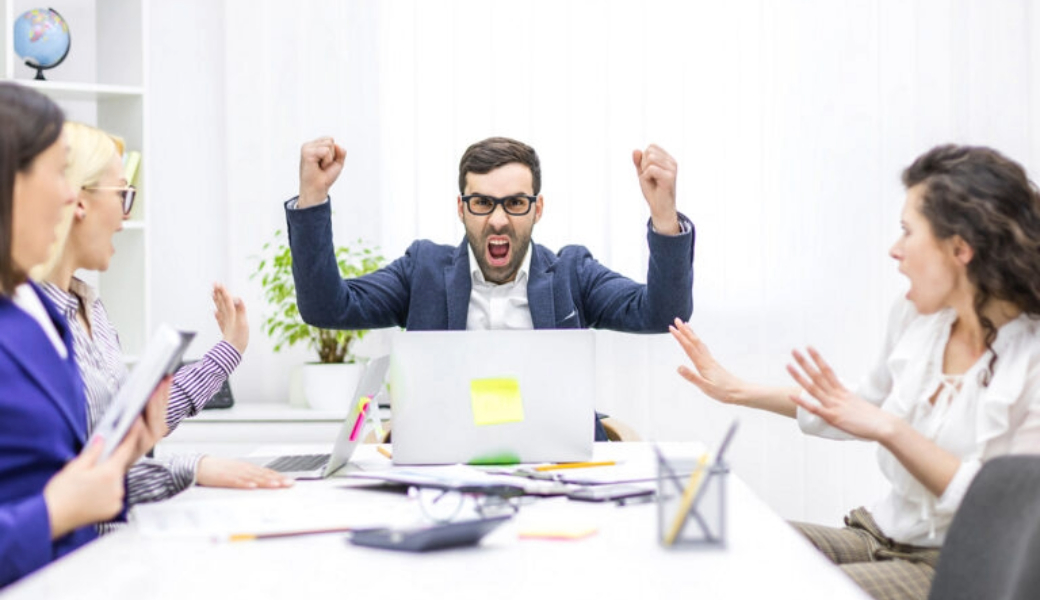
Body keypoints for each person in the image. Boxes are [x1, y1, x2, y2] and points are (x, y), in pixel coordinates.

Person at [670, 144, 1040, 600]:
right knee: (723, 547)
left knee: (779, 590)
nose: (894, 249)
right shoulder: (918, 321)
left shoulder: (1032, 358)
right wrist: (737, 389)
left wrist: (891, 429)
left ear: (960, 248)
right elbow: (856, 406)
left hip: (951, 563)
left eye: (908, 231)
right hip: (873, 534)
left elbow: (1009, 508)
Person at [285, 136, 695, 439]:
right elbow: (327, 308)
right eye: (482, 203)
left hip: (556, 466)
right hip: (443, 464)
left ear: (537, 209)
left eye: (515, 203)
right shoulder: (423, 269)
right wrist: (313, 199)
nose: (498, 220)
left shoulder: (572, 272)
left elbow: (661, 313)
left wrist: (664, 217)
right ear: (461, 208)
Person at [32, 121, 291, 512]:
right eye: (122, 194)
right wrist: (192, 468)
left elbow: (129, 428)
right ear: (78, 200)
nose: (125, 217)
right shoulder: (30, 324)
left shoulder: (91, 310)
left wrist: (228, 351)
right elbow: (72, 484)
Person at [0, 83, 168, 587]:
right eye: (57, 171)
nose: (70, 194)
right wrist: (54, 512)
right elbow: (53, 499)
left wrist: (123, 454)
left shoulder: (38, 309)